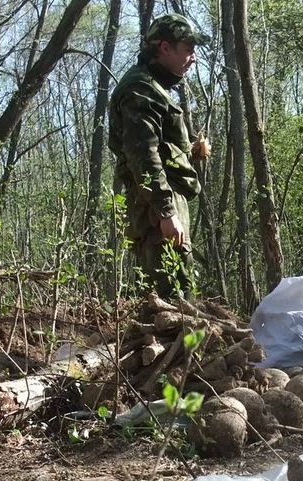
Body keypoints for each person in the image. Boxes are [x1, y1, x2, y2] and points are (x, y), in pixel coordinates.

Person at [109, 13, 211, 299]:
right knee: (174, 301)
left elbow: (154, 148)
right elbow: (142, 154)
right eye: (188, 49)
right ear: (165, 48)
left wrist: (189, 152)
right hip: (156, 207)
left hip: (161, 201)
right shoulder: (141, 89)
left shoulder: (153, 88)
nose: (193, 58)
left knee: (177, 296)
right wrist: (166, 211)